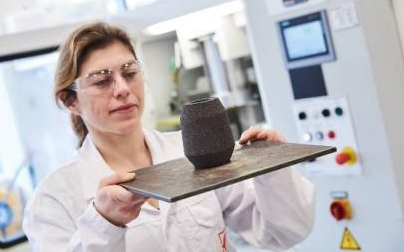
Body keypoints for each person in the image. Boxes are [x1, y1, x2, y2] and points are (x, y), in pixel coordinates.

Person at [23, 22, 314, 252]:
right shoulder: (54, 199)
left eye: (130, 72)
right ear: (69, 101)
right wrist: (104, 222)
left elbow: (282, 234)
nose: (123, 88)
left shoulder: (193, 152)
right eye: (101, 80)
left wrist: (271, 172)